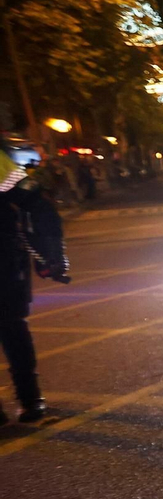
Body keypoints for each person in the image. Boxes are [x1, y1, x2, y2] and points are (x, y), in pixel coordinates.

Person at [1, 154, 70, 425]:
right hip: (6, 258)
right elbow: (37, 202)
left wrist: (51, 252)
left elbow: (35, 202)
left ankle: (30, 398)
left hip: (3, 258)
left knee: (11, 326)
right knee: (12, 327)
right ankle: (30, 400)